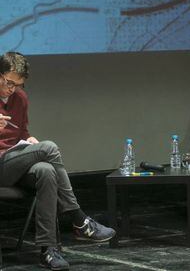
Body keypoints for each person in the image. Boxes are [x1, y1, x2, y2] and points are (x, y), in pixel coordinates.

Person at [0, 52, 115, 270]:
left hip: (14, 161)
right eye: (9, 82)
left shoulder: (20, 98)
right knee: (50, 147)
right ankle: (78, 218)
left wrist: (29, 140)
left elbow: (21, 132)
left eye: (18, 84)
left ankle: (48, 250)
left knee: (46, 171)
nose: (12, 89)